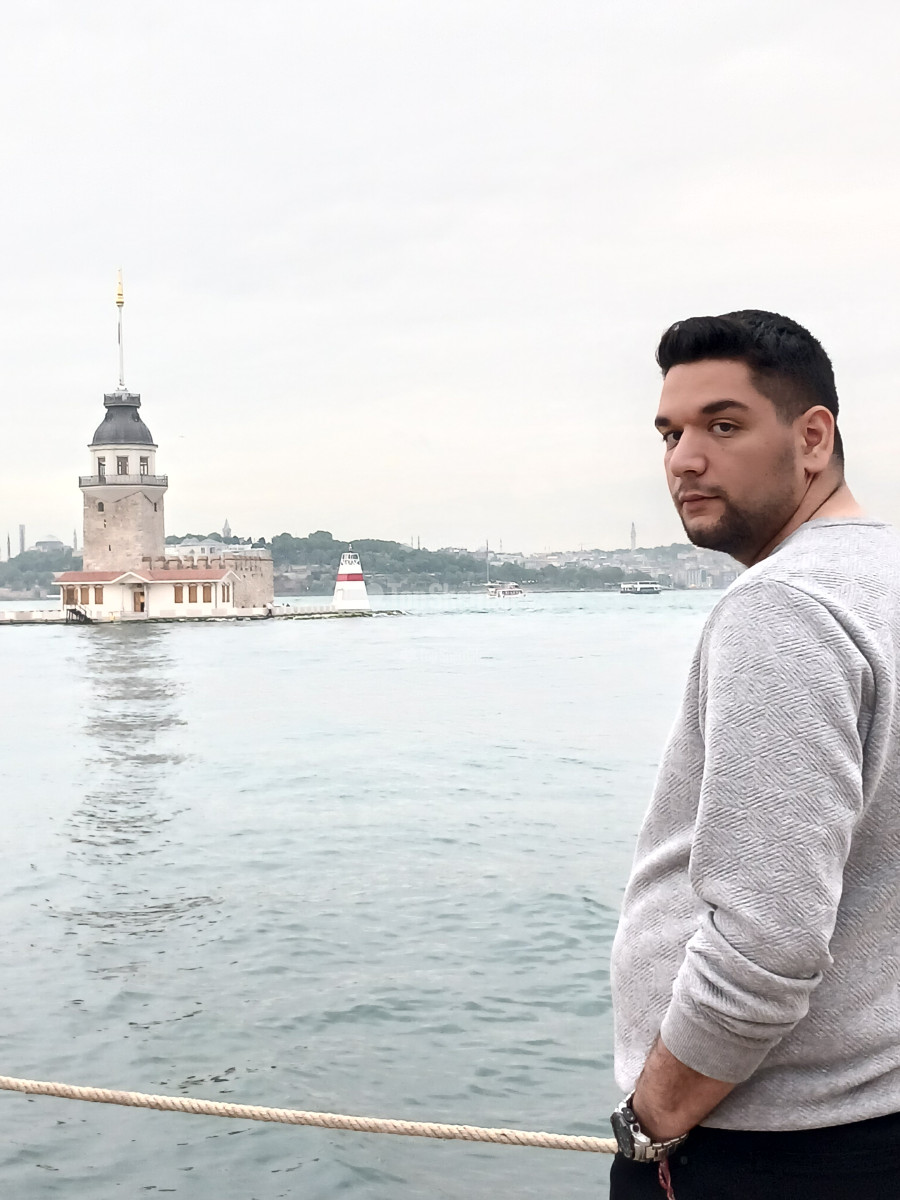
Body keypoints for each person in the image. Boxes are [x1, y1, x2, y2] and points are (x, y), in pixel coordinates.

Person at [608, 310, 900, 1199]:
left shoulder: (785, 608)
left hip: (772, 1146)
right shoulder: (883, 580)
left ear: (814, 438)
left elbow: (766, 942)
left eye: (723, 426)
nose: (685, 460)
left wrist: (653, 1121)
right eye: (671, 433)